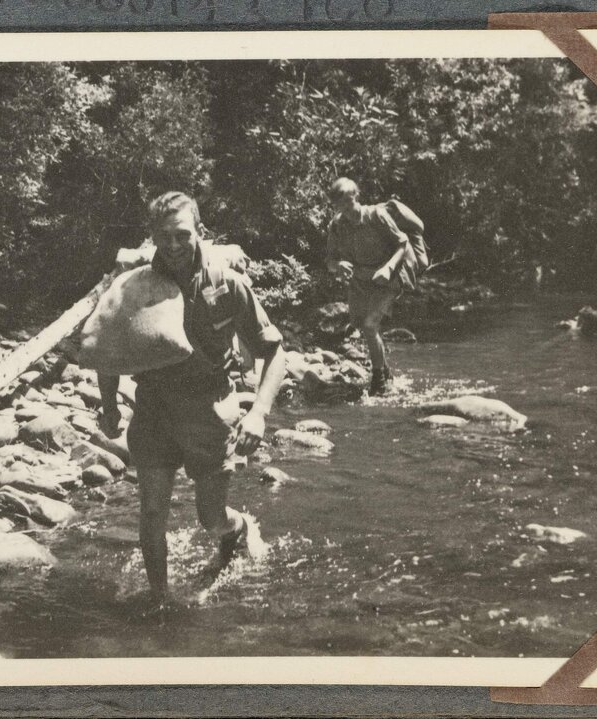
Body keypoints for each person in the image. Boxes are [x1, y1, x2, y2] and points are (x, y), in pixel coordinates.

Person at [97, 191, 287, 603]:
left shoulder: (227, 285)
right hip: (152, 410)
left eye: (182, 234)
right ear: (151, 237)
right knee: (152, 511)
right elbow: (108, 350)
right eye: (163, 236)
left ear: (200, 231)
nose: (173, 245)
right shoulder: (134, 287)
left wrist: (258, 414)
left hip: (210, 410)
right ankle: (160, 600)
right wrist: (109, 403)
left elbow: (275, 353)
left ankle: (237, 531)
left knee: (211, 518)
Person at [325, 178, 411, 396]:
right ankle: (385, 371)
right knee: (363, 326)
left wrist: (389, 268)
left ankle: (378, 379)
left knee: (370, 326)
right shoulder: (336, 226)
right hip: (360, 283)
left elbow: (402, 243)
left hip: (386, 278)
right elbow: (330, 262)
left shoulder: (376, 216)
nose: (345, 208)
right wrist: (338, 265)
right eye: (339, 204)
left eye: (347, 201)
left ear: (356, 196)